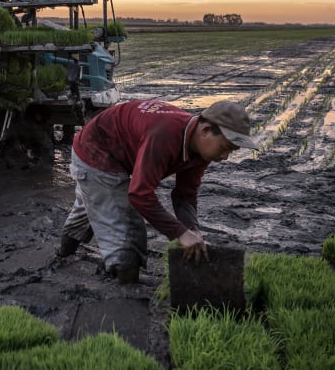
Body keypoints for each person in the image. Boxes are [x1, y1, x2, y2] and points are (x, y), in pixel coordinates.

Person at [58, 99, 258, 283]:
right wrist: (179, 232)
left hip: (115, 151)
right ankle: (127, 292)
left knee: (93, 203)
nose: (225, 156)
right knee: (127, 230)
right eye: (224, 147)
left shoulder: (200, 151)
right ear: (205, 130)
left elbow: (185, 195)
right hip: (96, 152)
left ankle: (61, 258)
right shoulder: (165, 134)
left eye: (231, 151)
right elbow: (139, 195)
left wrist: (191, 229)